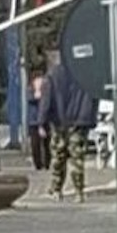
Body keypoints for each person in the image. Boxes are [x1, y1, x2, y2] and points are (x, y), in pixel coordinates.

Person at [39, 58, 97, 202]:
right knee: (77, 158)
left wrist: (42, 121)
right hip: (79, 121)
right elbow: (94, 97)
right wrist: (90, 118)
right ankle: (79, 191)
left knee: (58, 157)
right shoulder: (87, 74)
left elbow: (46, 98)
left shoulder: (54, 74)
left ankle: (57, 190)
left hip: (59, 122)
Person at [27, 71, 51, 172]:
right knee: (35, 144)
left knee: (47, 143)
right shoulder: (30, 89)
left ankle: (47, 163)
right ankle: (38, 164)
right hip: (33, 121)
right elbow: (30, 99)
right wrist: (37, 94)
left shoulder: (46, 89)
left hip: (45, 119)